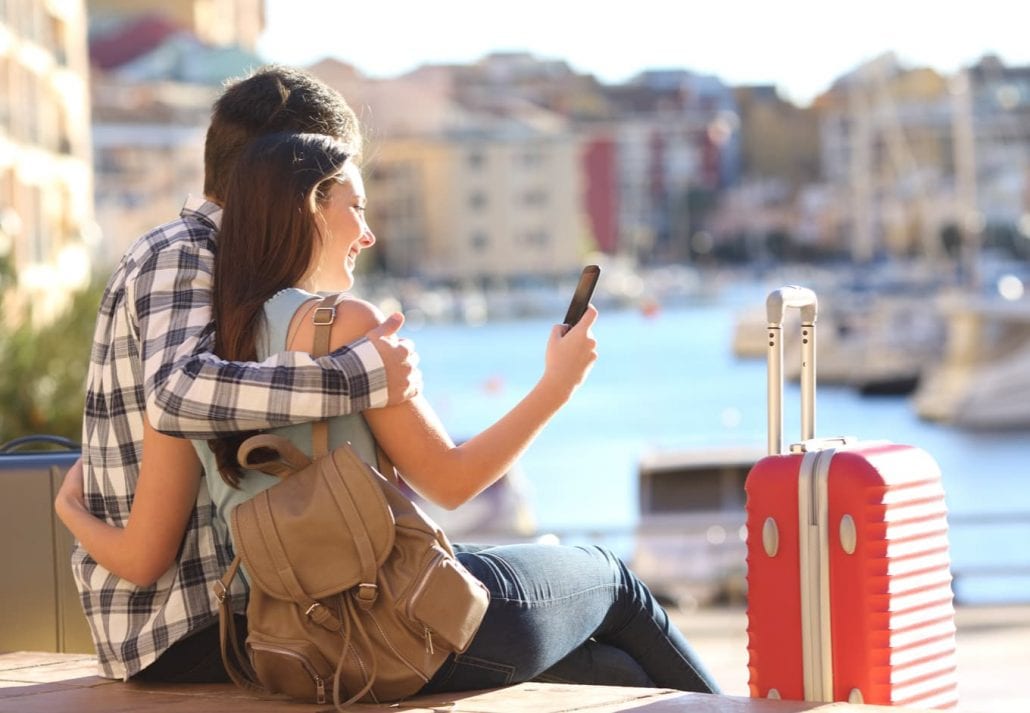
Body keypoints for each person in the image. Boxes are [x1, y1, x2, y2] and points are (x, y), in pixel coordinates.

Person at [59, 130, 720, 695]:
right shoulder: (350, 326)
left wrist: (68, 510)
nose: (369, 233)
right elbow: (453, 480)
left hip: (301, 649)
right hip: (404, 624)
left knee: (608, 668)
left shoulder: (197, 364)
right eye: (356, 207)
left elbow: (144, 553)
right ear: (309, 208)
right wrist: (557, 384)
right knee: (615, 579)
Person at [58, 66, 422, 684]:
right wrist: (356, 375)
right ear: (287, 174)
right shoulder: (183, 252)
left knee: (596, 653)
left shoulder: (241, 271)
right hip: (192, 623)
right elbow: (177, 391)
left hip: (241, 610)